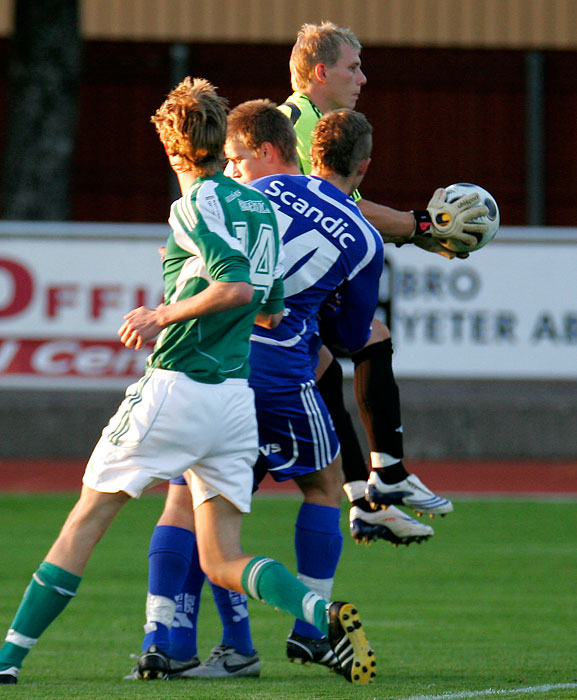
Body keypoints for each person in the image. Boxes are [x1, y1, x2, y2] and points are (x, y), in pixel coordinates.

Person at [0, 78, 375, 687]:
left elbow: (235, 287)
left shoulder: (193, 203)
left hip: (176, 386)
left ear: (175, 152)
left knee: (85, 521)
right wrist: (190, 276)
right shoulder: (256, 203)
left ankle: (7, 660)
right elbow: (270, 308)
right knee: (223, 557)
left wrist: (164, 311)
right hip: (232, 403)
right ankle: (316, 609)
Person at [124, 99, 432, 683]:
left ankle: (173, 640)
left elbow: (186, 265)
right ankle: (311, 630)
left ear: (270, 152)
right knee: (324, 485)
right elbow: (350, 335)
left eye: (237, 158)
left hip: (209, 365)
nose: (232, 167)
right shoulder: (364, 236)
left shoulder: (242, 197)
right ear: (362, 167)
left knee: (193, 502)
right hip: (283, 373)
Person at [276, 22, 489, 536]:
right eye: (353, 67)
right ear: (320, 72)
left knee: (326, 364)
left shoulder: (297, 120)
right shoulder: (301, 122)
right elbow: (338, 207)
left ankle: (367, 498)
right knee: (369, 335)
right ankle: (386, 476)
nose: (363, 79)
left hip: (271, 283)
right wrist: (424, 225)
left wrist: (418, 231)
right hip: (267, 288)